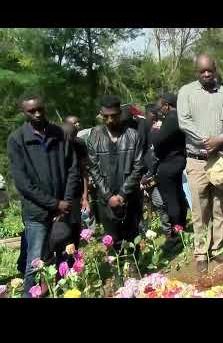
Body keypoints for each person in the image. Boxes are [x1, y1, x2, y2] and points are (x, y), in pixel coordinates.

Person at [7, 95, 80, 297]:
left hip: (62, 211)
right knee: (35, 263)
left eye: (40, 109)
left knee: (65, 257)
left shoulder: (59, 134)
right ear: (24, 112)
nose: (37, 114)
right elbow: (23, 183)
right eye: (32, 111)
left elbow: (73, 169)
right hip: (36, 213)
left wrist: (65, 202)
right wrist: (54, 203)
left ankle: (64, 292)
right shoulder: (18, 139)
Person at [177, 54, 223, 273]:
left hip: (221, 158)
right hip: (197, 160)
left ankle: (218, 247)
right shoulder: (186, 92)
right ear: (197, 72)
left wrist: (220, 140)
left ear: (215, 69)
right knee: (200, 209)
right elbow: (184, 121)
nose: (206, 74)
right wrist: (206, 141)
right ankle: (201, 251)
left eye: (209, 71)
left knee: (221, 206)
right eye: (202, 71)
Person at [87, 95, 145, 249]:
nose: (110, 120)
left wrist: (122, 194)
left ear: (120, 113)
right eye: (105, 117)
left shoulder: (133, 135)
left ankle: (135, 268)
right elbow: (93, 167)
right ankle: (118, 270)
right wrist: (108, 196)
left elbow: (139, 166)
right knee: (112, 240)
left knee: (133, 236)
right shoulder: (94, 136)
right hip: (105, 199)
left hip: (130, 196)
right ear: (101, 115)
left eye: (113, 116)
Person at [147, 94, 187, 237]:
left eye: (160, 108)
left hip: (170, 162)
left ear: (167, 105)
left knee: (171, 198)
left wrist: (154, 131)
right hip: (177, 160)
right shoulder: (178, 117)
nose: (159, 111)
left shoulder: (171, 118)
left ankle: (177, 230)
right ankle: (182, 225)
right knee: (178, 193)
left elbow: (157, 140)